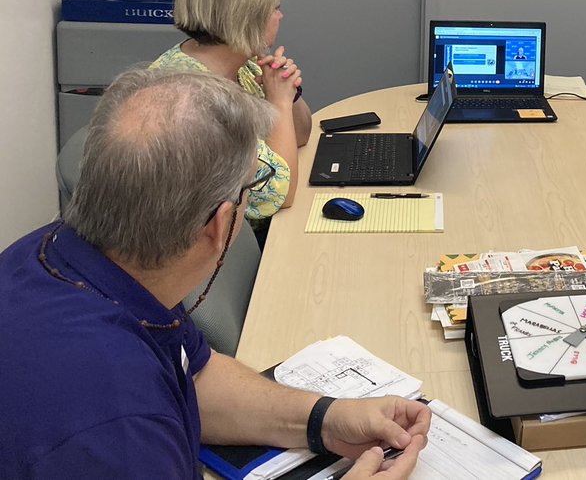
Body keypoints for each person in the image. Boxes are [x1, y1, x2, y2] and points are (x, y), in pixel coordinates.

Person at [0, 69, 428, 479]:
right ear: (220, 223)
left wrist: (326, 418)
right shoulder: (118, 428)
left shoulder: (64, 256)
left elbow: (195, 376)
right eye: (251, 186)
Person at [150, 0, 313, 235]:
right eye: (275, 8)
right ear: (247, 17)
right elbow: (277, 196)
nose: (280, 15)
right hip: (226, 241)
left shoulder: (239, 62)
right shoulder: (193, 98)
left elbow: (299, 136)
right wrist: (279, 103)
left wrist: (289, 94)